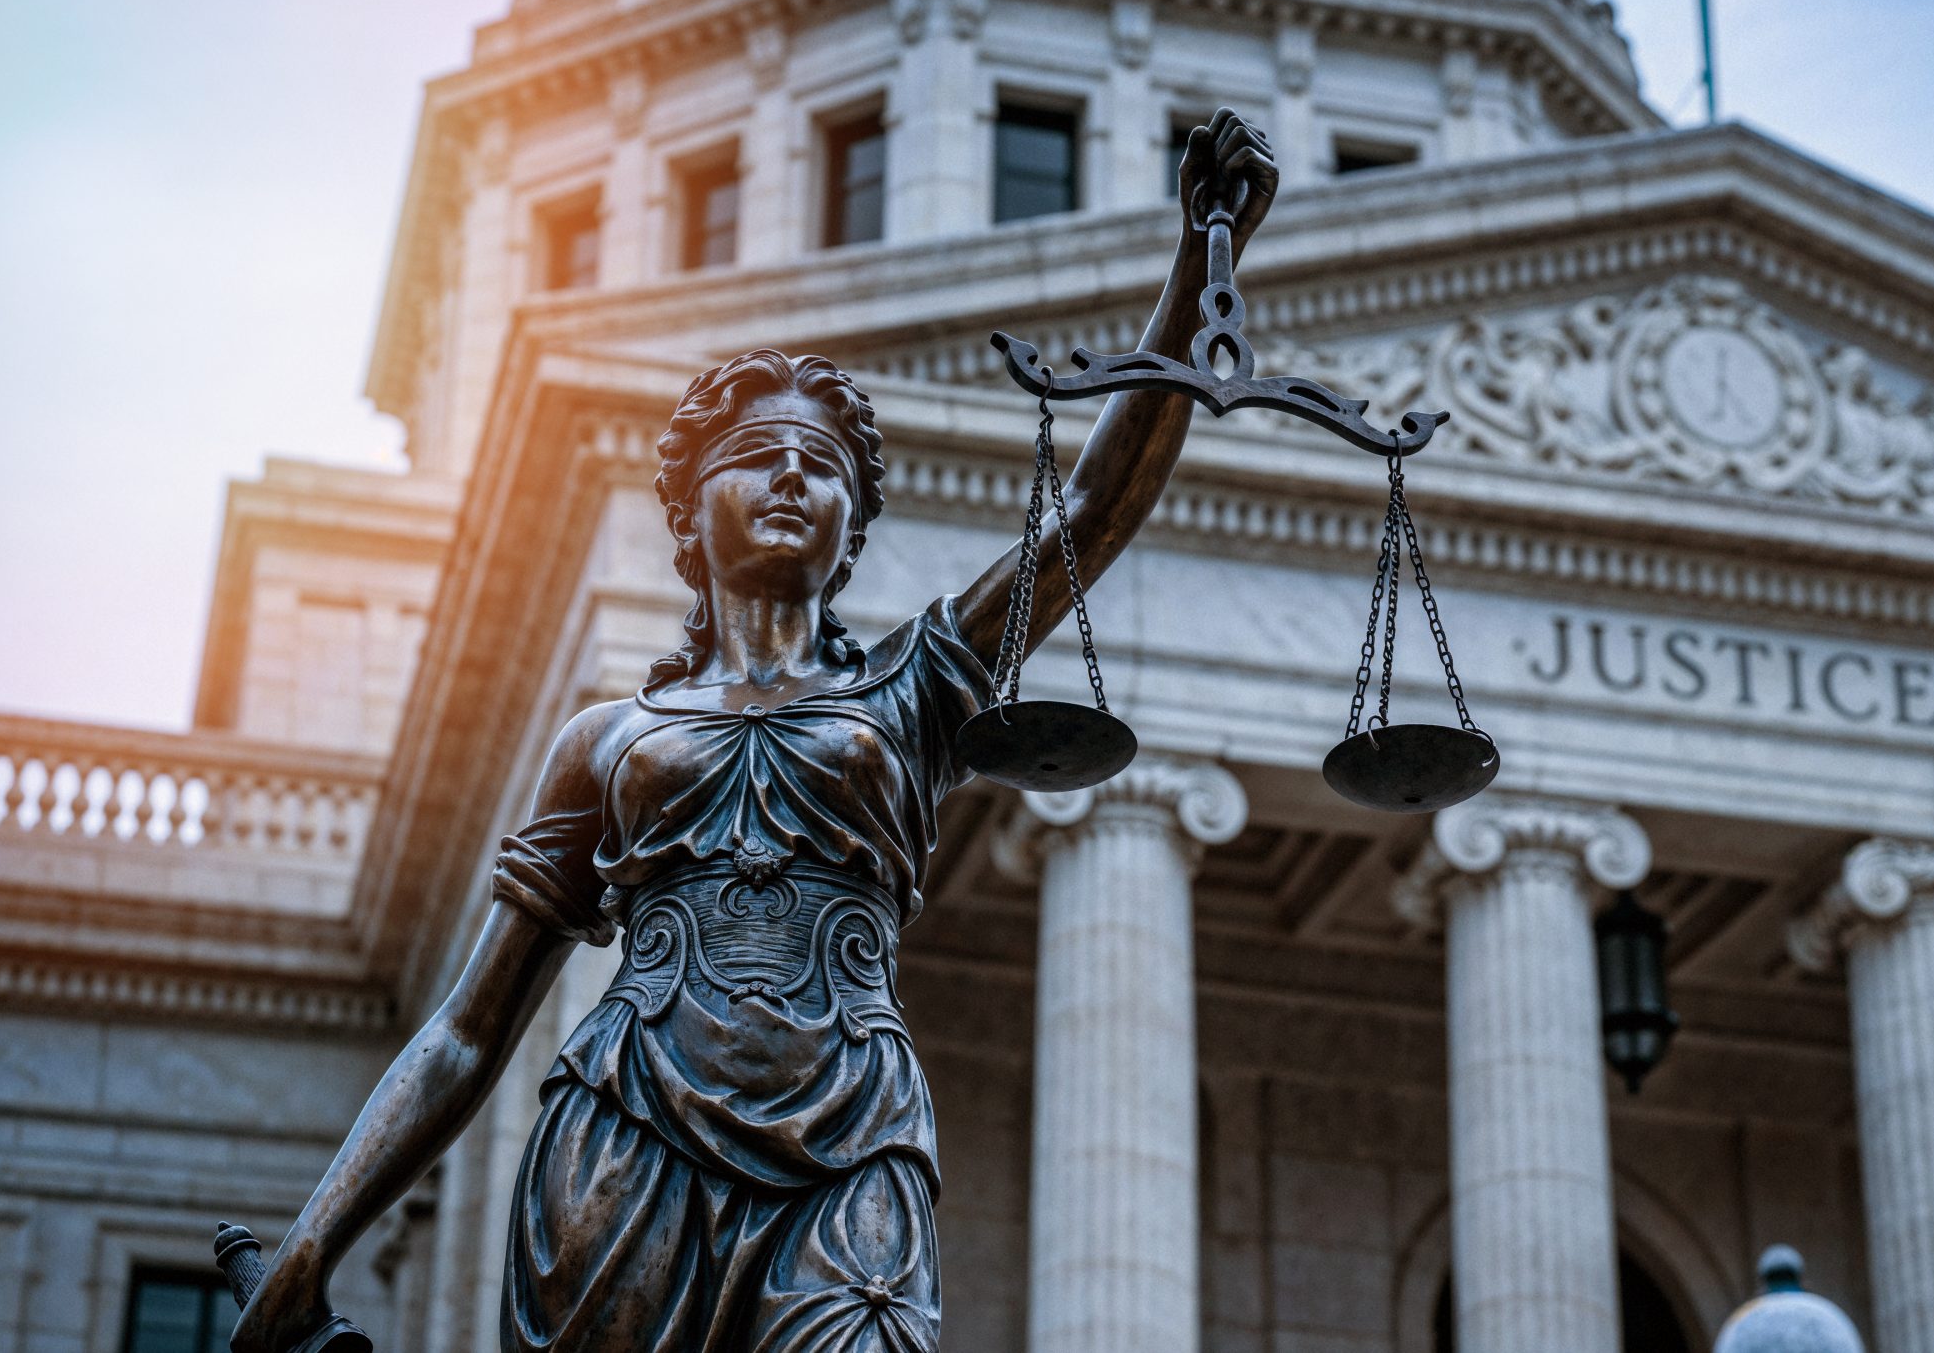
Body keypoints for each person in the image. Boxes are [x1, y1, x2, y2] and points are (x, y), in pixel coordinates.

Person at [233, 108, 1278, 1353]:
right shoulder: (610, 739)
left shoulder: (911, 691)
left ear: (852, 521)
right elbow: (468, 1027)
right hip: (626, 1141)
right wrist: (313, 1241)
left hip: (853, 1144)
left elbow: (1094, 512)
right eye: (756, 456)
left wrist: (1198, 261)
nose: (792, 477)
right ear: (690, 508)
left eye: (822, 466)